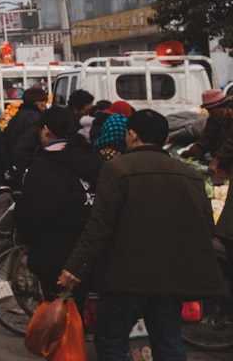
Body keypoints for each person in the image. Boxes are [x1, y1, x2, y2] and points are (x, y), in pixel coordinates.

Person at [59, 109, 227, 361]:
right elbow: (204, 225)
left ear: (133, 135)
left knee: (111, 343)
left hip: (123, 277)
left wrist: (74, 268)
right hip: (169, 278)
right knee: (169, 343)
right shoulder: (188, 174)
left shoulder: (116, 170)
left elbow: (99, 226)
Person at [14, 105, 104, 306]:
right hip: (90, 251)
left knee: (59, 315)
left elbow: (33, 213)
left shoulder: (45, 166)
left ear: (45, 130)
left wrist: (25, 237)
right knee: (76, 308)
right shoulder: (94, 160)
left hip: (55, 254)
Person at [2, 85, 49, 187]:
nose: (46, 105)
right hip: (26, 169)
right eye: (44, 101)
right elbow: (24, 146)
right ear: (37, 102)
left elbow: (5, 140)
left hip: (13, 166)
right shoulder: (35, 119)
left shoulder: (17, 116)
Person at [181, 88, 233, 178]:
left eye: (211, 110)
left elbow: (230, 143)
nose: (210, 113)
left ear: (221, 106)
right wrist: (188, 155)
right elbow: (205, 140)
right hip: (222, 165)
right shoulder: (213, 120)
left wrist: (217, 159)